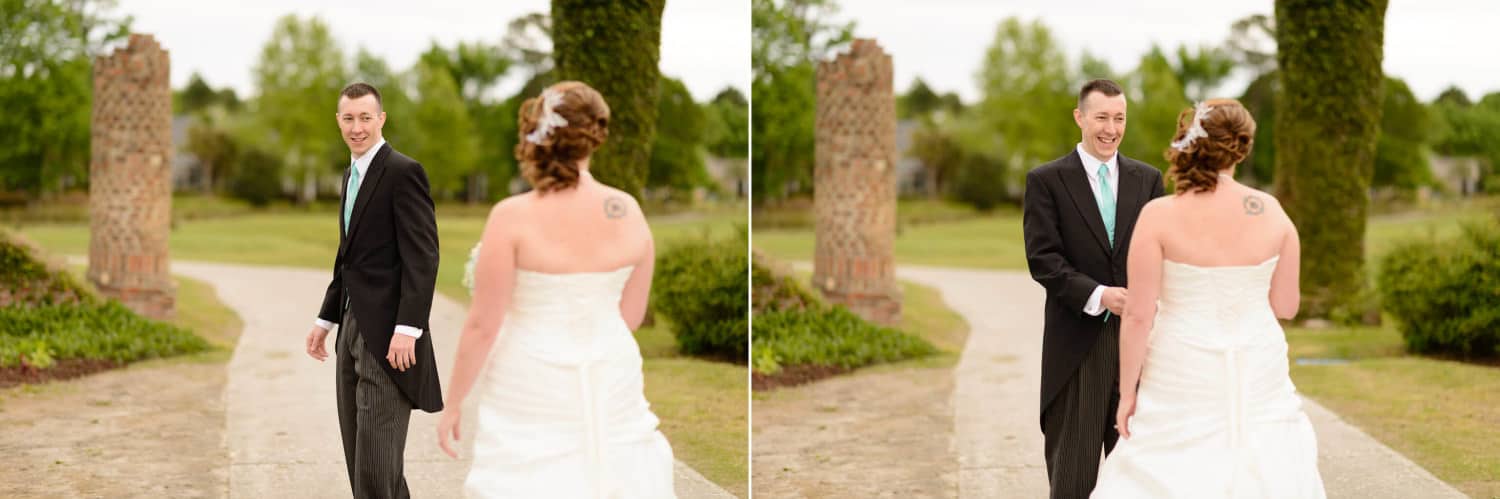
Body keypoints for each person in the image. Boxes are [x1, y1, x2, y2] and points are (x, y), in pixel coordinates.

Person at [435, 81, 676, 498]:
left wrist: (452, 403)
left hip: (529, 376)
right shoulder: (628, 211)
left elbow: (482, 326)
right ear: (594, 137)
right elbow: (631, 317)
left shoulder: (511, 216)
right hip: (610, 371)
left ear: (540, 135)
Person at [1091, 99, 1325, 498]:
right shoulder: (1272, 212)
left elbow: (1138, 316)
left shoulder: (1159, 215)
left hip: (1181, 363)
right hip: (1257, 362)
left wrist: (1127, 393)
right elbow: (1286, 306)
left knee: (1170, 466)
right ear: (1243, 147)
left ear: (1192, 144)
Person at [1022, 79, 1167, 498]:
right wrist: (1100, 295)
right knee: (1073, 477)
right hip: (1077, 347)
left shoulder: (1149, 180)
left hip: (1139, 344)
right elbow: (1043, 260)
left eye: (1119, 118)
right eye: (1101, 117)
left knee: (1138, 475)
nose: (1111, 128)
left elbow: (1161, 255)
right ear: (1080, 117)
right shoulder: (1046, 181)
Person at [305, 82, 443, 499]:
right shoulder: (350, 174)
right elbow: (348, 258)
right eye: (349, 118)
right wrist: (324, 320)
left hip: (387, 337)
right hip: (350, 327)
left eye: (365, 117)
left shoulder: (403, 172)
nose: (357, 127)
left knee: (377, 463)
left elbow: (424, 257)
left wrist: (408, 328)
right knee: (360, 458)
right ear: (338, 121)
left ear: (381, 119)